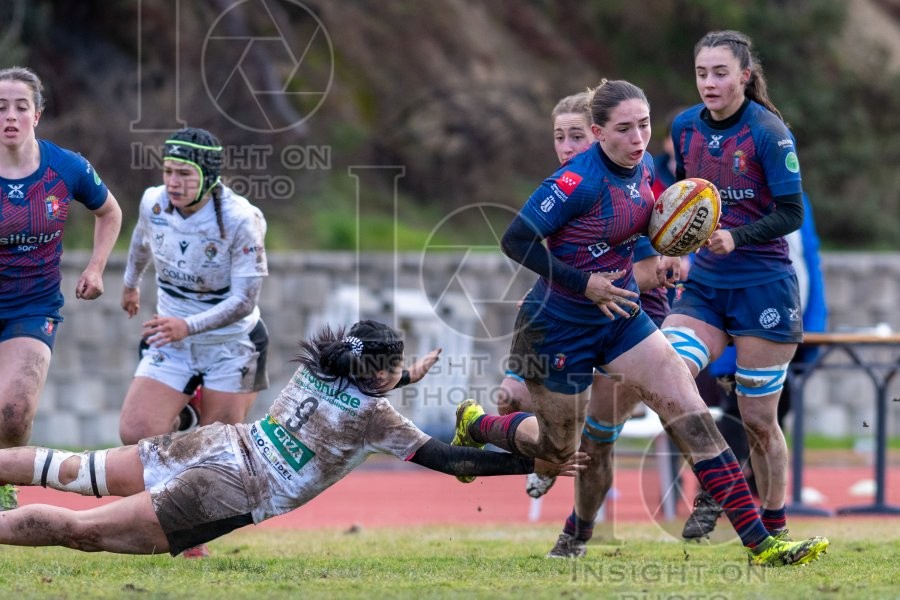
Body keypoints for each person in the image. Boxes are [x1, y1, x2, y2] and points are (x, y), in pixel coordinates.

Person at [452, 78, 828, 566]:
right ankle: (478, 424)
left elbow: (653, 225)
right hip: (559, 326)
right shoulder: (573, 183)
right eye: (624, 129)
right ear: (599, 132)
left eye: (645, 126)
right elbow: (515, 240)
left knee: (688, 411)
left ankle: (762, 543)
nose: (638, 138)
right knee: (558, 450)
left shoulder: (647, 166)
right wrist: (585, 283)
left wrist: (680, 238)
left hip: (623, 318)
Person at [0, 320, 584, 556]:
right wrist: (536, 466)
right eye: (394, 371)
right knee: (83, 533)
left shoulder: (321, 366)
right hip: (230, 490)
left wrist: (407, 374)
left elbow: (367, 380)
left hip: (211, 444)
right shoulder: (377, 420)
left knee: (69, 467)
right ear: (379, 375)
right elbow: (451, 459)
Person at [657, 30, 809, 543]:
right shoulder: (684, 128)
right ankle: (716, 480)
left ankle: (775, 522)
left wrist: (737, 236)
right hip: (705, 288)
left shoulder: (769, 132)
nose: (709, 83)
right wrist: (673, 248)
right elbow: (685, 203)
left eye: (720, 73)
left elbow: (793, 213)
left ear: (744, 76)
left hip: (764, 290)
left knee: (760, 421)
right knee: (669, 377)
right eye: (701, 73)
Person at [495, 91, 679, 501]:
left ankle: (578, 532)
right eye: (558, 137)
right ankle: (545, 456)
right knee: (510, 397)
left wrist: (599, 282)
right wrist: (577, 283)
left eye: (575, 136)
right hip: (569, 314)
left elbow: (650, 270)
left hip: (631, 316)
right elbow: (524, 244)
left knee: (598, 439)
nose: (566, 148)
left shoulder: (627, 183)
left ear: (596, 136)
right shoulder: (568, 188)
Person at [118, 127, 269, 557]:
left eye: (183, 173)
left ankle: (191, 539)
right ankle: (183, 414)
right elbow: (141, 241)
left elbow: (246, 300)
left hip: (232, 344)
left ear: (208, 175)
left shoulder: (242, 218)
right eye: (168, 171)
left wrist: (190, 325)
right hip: (173, 335)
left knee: (219, 449)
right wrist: (131, 285)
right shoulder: (153, 201)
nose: (173, 182)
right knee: (136, 431)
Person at [0, 67, 122, 511]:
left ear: (38, 114)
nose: (9, 116)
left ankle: (3, 483)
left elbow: (110, 213)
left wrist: (95, 267)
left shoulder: (66, 167)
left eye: (20, 106)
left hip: (32, 306)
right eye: (0, 107)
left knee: (14, 412)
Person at [682, 191, 827, 534]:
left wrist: (812, 323)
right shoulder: (717, 192)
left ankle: (764, 509)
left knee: (767, 418)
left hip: (776, 318)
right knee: (731, 415)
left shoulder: (791, 201)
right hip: (729, 319)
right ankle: (715, 494)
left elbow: (807, 264)